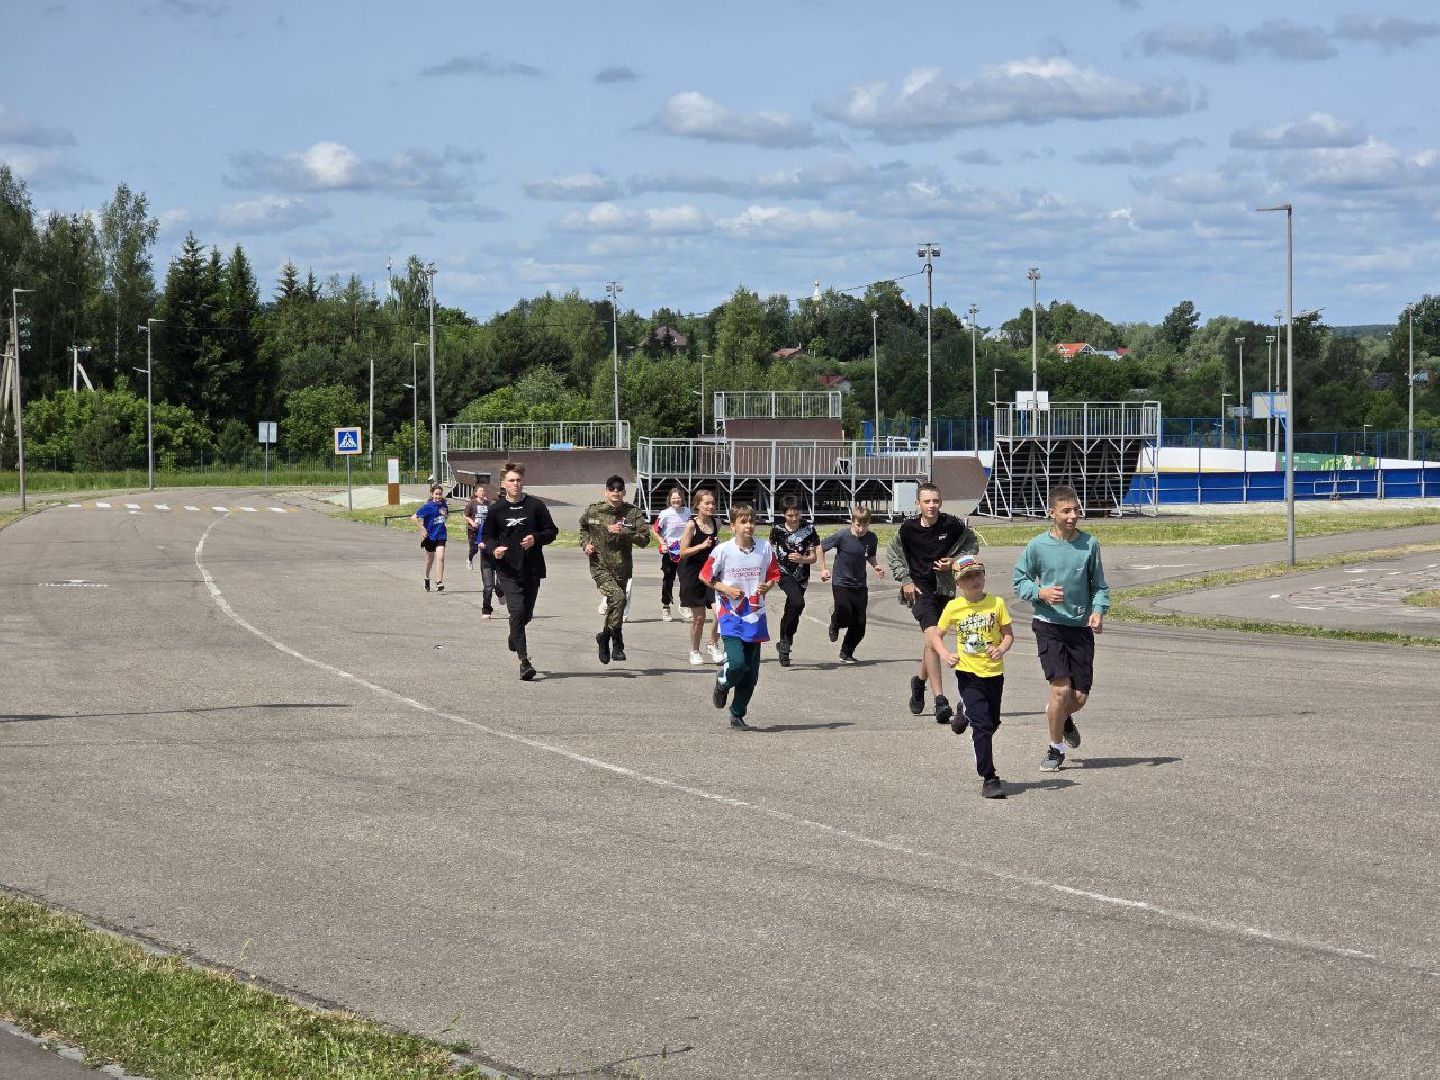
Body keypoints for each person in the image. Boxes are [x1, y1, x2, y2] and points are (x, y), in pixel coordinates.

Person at [1012, 484, 1110, 772]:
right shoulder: (1037, 545)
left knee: (1077, 697)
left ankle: (1062, 717)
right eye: (1066, 511)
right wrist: (1040, 593)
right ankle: (1055, 748)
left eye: (1076, 510)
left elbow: (1099, 586)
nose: (1073, 516)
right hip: (1048, 624)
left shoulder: (1089, 544)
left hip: (1079, 627)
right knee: (1060, 691)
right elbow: (1019, 581)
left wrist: (1098, 611)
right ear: (1051, 513)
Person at [885, 482, 979, 725]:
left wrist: (954, 562)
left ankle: (919, 682)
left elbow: (972, 546)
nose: (931, 506)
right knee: (934, 635)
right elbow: (893, 554)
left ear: (941, 502)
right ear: (918, 504)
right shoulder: (907, 529)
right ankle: (940, 700)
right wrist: (905, 579)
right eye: (926, 501)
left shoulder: (952, 525)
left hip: (945, 589)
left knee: (932, 641)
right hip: (918, 590)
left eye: (935, 501)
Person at [927, 556, 1013, 799]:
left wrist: (1002, 648)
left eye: (978, 575)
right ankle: (989, 778)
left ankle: (963, 711)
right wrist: (945, 654)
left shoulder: (997, 603)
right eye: (968, 577)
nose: (974, 580)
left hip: (994, 672)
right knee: (983, 726)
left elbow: (1008, 635)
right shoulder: (954, 608)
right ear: (958, 583)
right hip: (968, 673)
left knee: (992, 722)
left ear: (984, 576)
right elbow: (935, 635)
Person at [701, 503, 780, 731]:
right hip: (731, 616)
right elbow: (705, 576)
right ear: (733, 525)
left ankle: (737, 714)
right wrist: (725, 589)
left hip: (755, 617)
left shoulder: (764, 548)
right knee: (737, 663)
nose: (749, 526)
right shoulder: (723, 550)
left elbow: (773, 574)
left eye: (752, 521)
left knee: (751, 674)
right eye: (743, 522)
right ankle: (723, 681)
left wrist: (768, 585)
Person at [480, 462, 558, 681]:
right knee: (517, 611)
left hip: (532, 568)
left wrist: (536, 539)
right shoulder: (497, 509)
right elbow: (486, 536)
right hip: (507, 570)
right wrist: (495, 550)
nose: (515, 484)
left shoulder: (535, 506)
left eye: (519, 480)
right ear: (503, 484)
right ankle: (524, 662)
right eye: (511, 480)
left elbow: (552, 531)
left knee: (526, 614)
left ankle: (514, 634)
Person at [580, 475, 651, 664]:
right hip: (600, 565)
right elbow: (583, 528)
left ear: (624, 492)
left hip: (622, 566)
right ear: (606, 491)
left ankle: (604, 638)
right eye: (612, 489)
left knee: (616, 605)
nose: (616, 492)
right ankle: (618, 642)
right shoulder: (593, 510)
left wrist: (625, 532)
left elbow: (645, 539)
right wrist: (585, 544)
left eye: (620, 489)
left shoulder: (632, 513)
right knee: (618, 599)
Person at [818, 505, 886, 663]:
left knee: (860, 624)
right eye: (858, 525)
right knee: (844, 613)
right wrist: (823, 569)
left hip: (860, 584)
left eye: (865, 525)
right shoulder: (842, 536)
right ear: (852, 522)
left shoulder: (871, 538)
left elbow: (870, 555)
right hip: (841, 582)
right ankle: (834, 623)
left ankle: (846, 652)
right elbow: (820, 548)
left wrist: (876, 566)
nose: (861, 528)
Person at [768, 496, 825, 668]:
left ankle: (784, 643)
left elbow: (813, 558)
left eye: (797, 514)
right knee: (797, 601)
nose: (794, 519)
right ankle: (786, 641)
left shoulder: (809, 529)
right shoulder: (777, 529)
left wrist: (802, 559)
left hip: (802, 574)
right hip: (783, 573)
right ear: (783, 514)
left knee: (793, 608)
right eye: (790, 515)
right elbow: (770, 552)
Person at [677, 489, 726, 666]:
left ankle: (713, 644)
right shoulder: (691, 525)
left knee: (720, 612)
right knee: (699, 618)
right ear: (697, 505)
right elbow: (682, 552)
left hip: (711, 573)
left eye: (712, 503)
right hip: (692, 573)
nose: (710, 506)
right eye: (706, 503)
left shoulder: (717, 523)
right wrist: (701, 546)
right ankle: (695, 651)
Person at [651, 486, 692, 623]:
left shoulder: (687, 512)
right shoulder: (665, 514)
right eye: (674, 498)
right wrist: (662, 542)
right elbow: (655, 529)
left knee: (686, 578)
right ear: (669, 499)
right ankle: (666, 606)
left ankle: (684, 604)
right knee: (668, 579)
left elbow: (692, 529)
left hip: (684, 550)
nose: (676, 500)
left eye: (679, 497)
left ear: (682, 499)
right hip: (669, 551)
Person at [463, 483, 501, 617]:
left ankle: (501, 592)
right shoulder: (473, 506)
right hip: (486, 558)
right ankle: (486, 608)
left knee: (500, 585)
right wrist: (480, 543)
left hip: (499, 558)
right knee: (488, 587)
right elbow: (479, 537)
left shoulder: (499, 523)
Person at [411, 483, 450, 593]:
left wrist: (445, 515)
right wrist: (422, 529)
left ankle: (439, 582)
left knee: (440, 557)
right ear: (432, 494)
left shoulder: (444, 504)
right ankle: (426, 578)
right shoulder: (428, 507)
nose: (438, 496)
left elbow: (445, 517)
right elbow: (413, 518)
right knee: (429, 560)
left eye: (440, 494)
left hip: (441, 534)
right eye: (436, 494)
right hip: (430, 536)